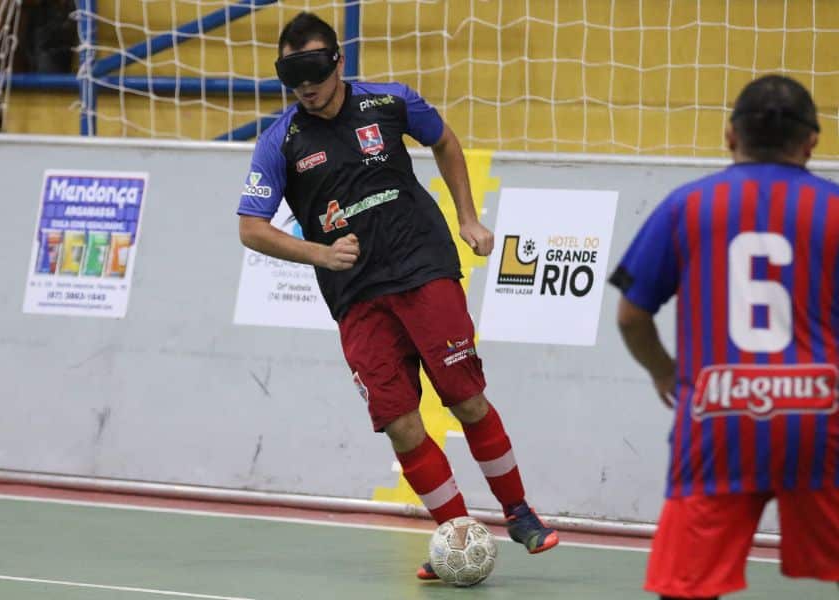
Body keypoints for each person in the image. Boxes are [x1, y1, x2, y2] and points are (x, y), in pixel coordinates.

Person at [236, 12, 558, 579]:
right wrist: (320, 253)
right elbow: (251, 227)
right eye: (292, 75)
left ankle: (520, 513)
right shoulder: (279, 142)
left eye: (314, 69)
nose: (305, 85)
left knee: (464, 397)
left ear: (338, 61)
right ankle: (457, 536)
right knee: (401, 422)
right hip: (356, 297)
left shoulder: (389, 102)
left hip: (422, 268)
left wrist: (468, 218)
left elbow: (445, 141)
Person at [609, 74, 839, 599]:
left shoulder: (686, 205)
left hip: (717, 420)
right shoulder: (833, 209)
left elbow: (630, 316)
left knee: (686, 585)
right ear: (812, 141)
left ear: (730, 136)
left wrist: (664, 372)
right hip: (819, 420)